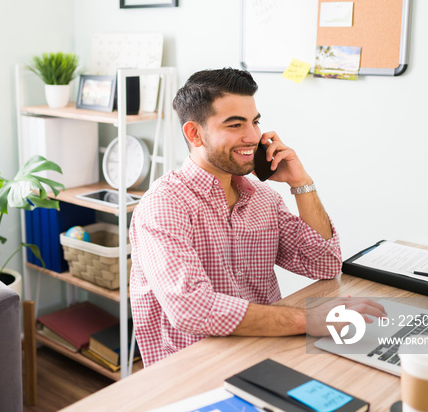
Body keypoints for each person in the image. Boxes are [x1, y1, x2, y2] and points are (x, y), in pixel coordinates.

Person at [129, 68, 385, 366]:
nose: (252, 136)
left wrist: (300, 182)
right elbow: (192, 308)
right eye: (235, 125)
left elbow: (324, 263)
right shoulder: (164, 205)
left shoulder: (263, 199)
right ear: (194, 133)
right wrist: (311, 320)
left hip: (266, 349)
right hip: (197, 367)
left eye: (255, 121)